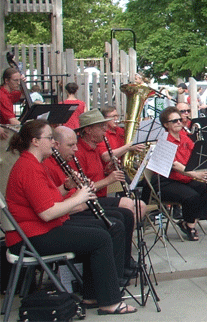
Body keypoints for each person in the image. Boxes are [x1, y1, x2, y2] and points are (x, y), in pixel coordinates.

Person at [4, 120, 136, 315]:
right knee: (100, 238)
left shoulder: (33, 164)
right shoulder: (28, 167)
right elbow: (47, 213)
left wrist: (67, 187)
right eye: (49, 138)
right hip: (31, 237)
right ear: (35, 141)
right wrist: (79, 197)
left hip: (39, 230)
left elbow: (48, 199)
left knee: (101, 230)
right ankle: (109, 302)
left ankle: (93, 296)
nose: (53, 142)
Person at [44, 125, 137, 280]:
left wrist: (79, 186)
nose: (75, 149)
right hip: (69, 213)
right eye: (70, 145)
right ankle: (113, 277)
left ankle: (122, 267)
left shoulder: (67, 158)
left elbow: (65, 191)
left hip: (79, 204)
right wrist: (79, 195)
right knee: (115, 224)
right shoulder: (49, 165)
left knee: (124, 215)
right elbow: (52, 204)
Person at [153, 106, 207, 241]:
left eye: (180, 119)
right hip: (166, 181)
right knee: (191, 196)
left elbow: (196, 154)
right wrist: (196, 175)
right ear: (166, 125)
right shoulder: (164, 141)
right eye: (174, 121)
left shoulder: (184, 138)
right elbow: (174, 165)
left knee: (204, 187)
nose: (179, 122)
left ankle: (190, 221)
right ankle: (190, 226)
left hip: (183, 178)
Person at [74, 110, 145, 218]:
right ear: (88, 130)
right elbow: (81, 188)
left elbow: (95, 174)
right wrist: (109, 180)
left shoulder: (95, 148)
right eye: (101, 126)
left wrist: (108, 170)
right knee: (127, 204)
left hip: (100, 197)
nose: (105, 129)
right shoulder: (78, 152)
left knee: (141, 206)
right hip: (87, 201)